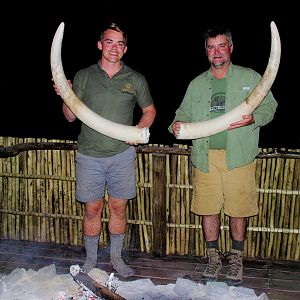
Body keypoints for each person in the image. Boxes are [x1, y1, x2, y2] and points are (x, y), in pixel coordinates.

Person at [169, 26, 277, 286]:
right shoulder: (196, 84)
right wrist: (176, 124)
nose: (216, 51)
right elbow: (181, 113)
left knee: (238, 210)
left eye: (221, 45)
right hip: (205, 157)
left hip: (238, 156)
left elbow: (270, 106)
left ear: (231, 47)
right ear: (206, 51)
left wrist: (255, 117)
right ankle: (213, 258)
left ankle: (236, 260)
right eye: (211, 47)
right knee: (208, 209)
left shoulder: (250, 77)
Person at [54, 22, 156, 278]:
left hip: (122, 154)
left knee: (119, 208)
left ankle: (116, 259)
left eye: (120, 43)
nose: (114, 47)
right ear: (100, 45)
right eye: (109, 42)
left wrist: (138, 131)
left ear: (125, 49)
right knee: (92, 209)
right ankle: (90, 260)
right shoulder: (84, 76)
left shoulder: (135, 79)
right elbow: (69, 117)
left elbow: (149, 111)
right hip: (90, 155)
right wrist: (65, 96)